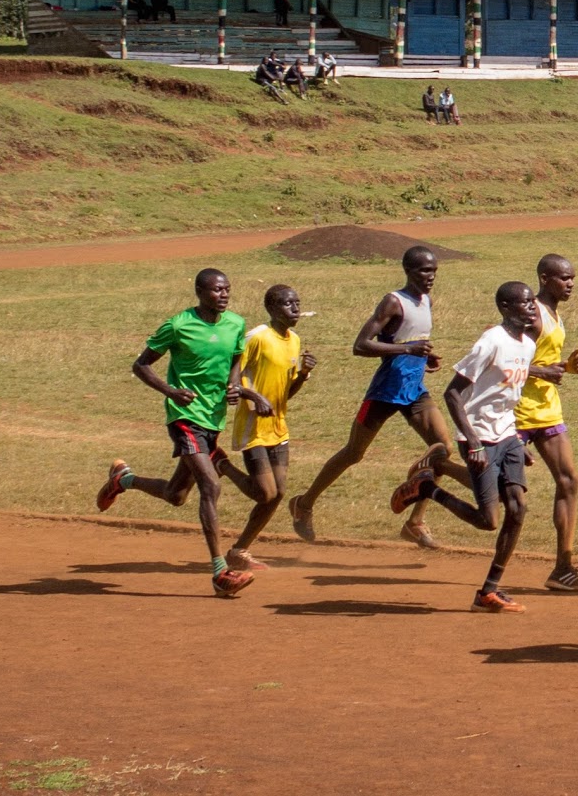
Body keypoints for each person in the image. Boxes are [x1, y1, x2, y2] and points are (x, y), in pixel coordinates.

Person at [94, 268, 270, 598]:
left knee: (176, 495)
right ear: (200, 292)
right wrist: (171, 391)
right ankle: (220, 572)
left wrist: (234, 387)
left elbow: (235, 359)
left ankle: (123, 479)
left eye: (227, 289)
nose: (224, 294)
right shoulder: (178, 325)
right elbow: (141, 365)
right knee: (211, 486)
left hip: (212, 419)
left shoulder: (235, 324)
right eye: (217, 290)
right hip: (184, 417)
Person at [288, 245, 462, 547]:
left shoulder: (426, 301)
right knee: (354, 453)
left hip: (414, 390)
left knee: (442, 449)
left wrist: (425, 357)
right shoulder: (393, 302)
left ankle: (415, 522)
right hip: (385, 391)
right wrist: (408, 350)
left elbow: (410, 339)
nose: (431, 276)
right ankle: (303, 504)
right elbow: (361, 345)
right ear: (408, 271)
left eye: (434, 270)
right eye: (424, 270)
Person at [399, 279, 539, 612]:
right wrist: (473, 441)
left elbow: (507, 396)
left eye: (533, 301)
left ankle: (488, 591)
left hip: (507, 435)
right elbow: (452, 393)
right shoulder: (491, 342)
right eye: (525, 302)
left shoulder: (527, 344)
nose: (532, 306)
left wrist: (517, 439)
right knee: (488, 520)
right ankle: (427, 488)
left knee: (518, 509)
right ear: (506, 307)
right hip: (479, 437)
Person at [219, 283, 318, 571]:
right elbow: (231, 380)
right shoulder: (256, 338)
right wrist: (254, 396)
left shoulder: (295, 341)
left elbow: (287, 393)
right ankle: (222, 465)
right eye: (288, 304)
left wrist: (304, 373)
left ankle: (239, 551)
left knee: (278, 493)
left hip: (278, 427)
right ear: (272, 308)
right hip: (253, 426)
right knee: (265, 493)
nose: (296, 309)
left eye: (297, 303)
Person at [513, 254, 578, 591]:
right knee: (491, 493)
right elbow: (502, 360)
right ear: (545, 278)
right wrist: (543, 371)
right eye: (564, 278)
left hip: (546, 409)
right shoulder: (530, 315)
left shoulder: (553, 314)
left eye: (573, 277)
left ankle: (563, 567)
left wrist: (563, 368)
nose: (571, 284)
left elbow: (541, 360)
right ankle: (435, 476)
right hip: (515, 411)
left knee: (569, 481)